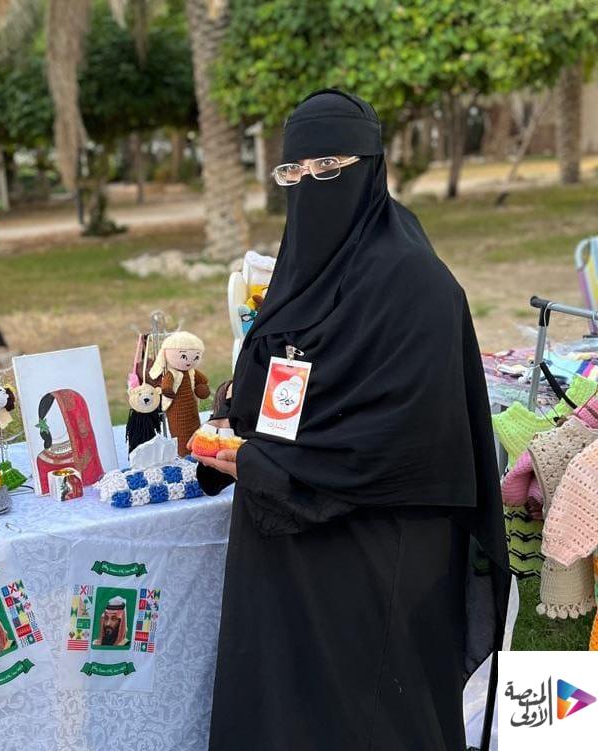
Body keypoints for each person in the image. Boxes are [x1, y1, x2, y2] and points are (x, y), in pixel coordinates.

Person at [193, 90, 509, 751]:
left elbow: (407, 439)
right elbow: (270, 386)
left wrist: (265, 463)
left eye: (329, 167)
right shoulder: (300, 271)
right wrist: (233, 427)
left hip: (376, 555)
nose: (310, 185)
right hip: (283, 545)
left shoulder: (416, 285)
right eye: (294, 172)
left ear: (370, 168)